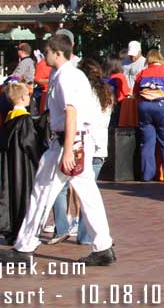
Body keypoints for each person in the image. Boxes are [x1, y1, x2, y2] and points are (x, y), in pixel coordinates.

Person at [0, 34, 116, 267]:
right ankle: (103, 246)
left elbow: (72, 113)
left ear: (58, 53)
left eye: (48, 52)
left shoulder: (66, 77)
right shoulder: (70, 75)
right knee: (88, 195)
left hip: (67, 143)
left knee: (42, 192)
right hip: (76, 141)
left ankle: (25, 246)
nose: (45, 55)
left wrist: (68, 149)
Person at [46, 59, 114, 245]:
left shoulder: (82, 94)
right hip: (100, 146)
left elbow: (76, 119)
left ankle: (61, 226)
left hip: (82, 144)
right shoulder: (107, 94)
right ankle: (85, 235)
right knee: (88, 192)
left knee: (58, 187)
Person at [0, 81, 45, 245]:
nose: (29, 97)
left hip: (9, 167)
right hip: (23, 167)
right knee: (23, 198)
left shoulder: (7, 120)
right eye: (27, 95)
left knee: (11, 196)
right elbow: (30, 144)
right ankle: (23, 232)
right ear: (22, 97)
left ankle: (11, 231)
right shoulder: (24, 121)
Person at [134, 49, 164, 182]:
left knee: (147, 142)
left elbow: (135, 93)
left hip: (144, 108)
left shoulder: (141, 74)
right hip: (163, 108)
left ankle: (147, 175)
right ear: (161, 59)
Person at [103, 55, 130, 129]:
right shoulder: (120, 76)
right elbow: (126, 91)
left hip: (104, 103)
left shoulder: (103, 77)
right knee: (115, 126)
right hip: (117, 105)